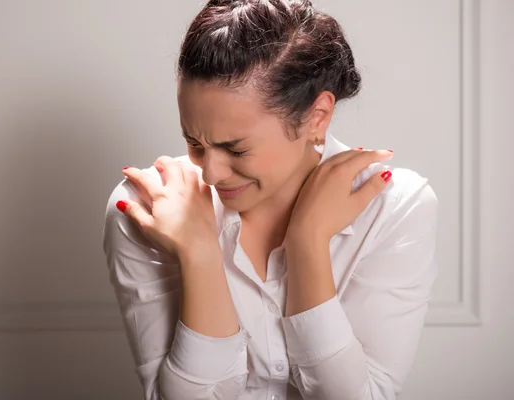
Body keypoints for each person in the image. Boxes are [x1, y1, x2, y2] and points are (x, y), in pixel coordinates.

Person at [102, 1, 438, 399]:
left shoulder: (394, 207)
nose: (210, 173)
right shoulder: (148, 209)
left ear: (317, 117)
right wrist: (200, 256)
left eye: (236, 150)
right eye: (193, 142)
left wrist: (307, 241)